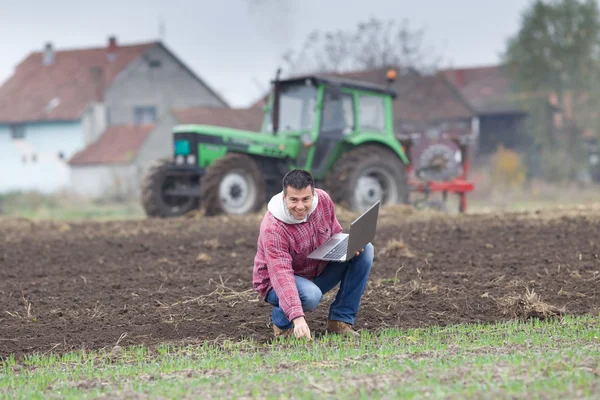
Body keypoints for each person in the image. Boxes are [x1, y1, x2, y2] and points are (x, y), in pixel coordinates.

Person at [252, 169, 374, 341]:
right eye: (293, 200)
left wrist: (347, 247)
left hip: (315, 270)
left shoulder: (323, 200)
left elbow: (334, 232)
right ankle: (282, 324)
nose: (300, 206)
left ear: (313, 195)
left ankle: (340, 321)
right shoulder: (273, 228)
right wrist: (298, 318)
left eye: (305, 199)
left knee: (365, 249)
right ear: (284, 197)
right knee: (311, 296)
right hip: (278, 282)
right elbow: (282, 276)